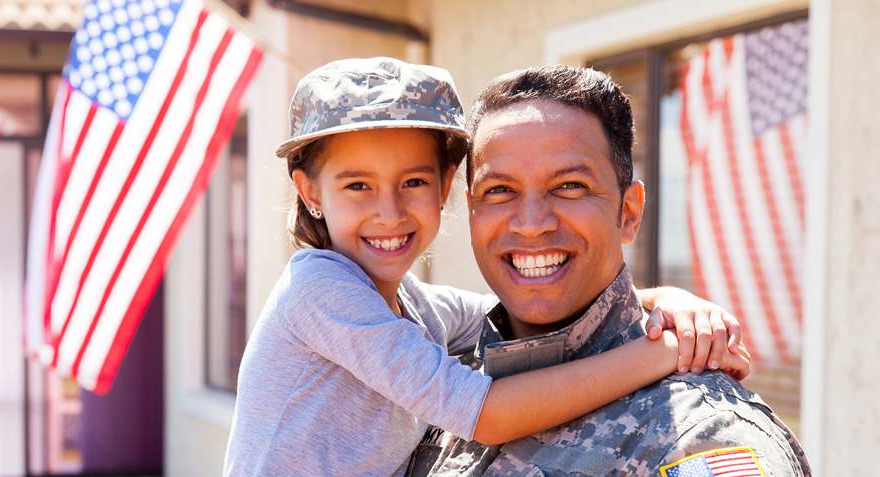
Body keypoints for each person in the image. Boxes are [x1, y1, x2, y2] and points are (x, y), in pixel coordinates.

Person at [223, 57, 750, 477]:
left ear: (446, 186)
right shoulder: (317, 288)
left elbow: (518, 309)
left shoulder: (416, 308)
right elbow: (486, 414)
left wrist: (669, 301)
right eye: (357, 185)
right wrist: (664, 351)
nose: (389, 212)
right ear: (310, 191)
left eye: (413, 182)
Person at [406, 64, 810, 476]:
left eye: (569, 186)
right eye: (499, 190)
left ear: (629, 213)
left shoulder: (697, 434)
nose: (531, 222)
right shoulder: (433, 389)